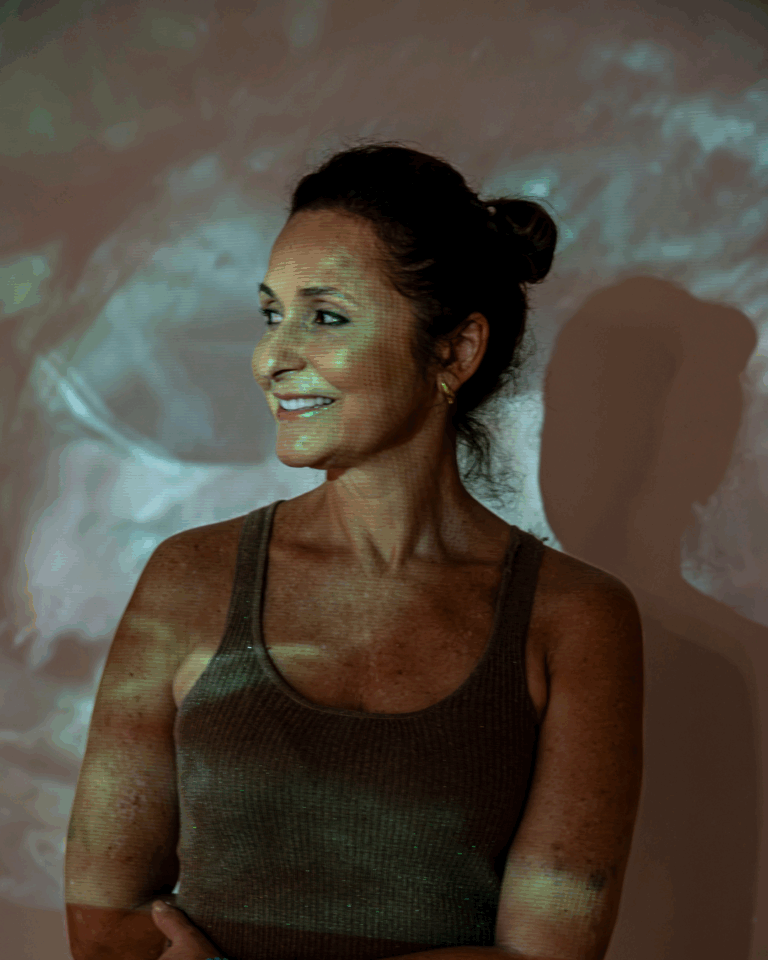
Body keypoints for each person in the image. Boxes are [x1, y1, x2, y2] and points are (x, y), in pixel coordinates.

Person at [65, 141, 643, 960]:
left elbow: (549, 955)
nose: (272, 359)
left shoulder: (576, 619)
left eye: (326, 317)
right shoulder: (187, 578)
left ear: (454, 352)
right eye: (272, 315)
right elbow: (104, 922)